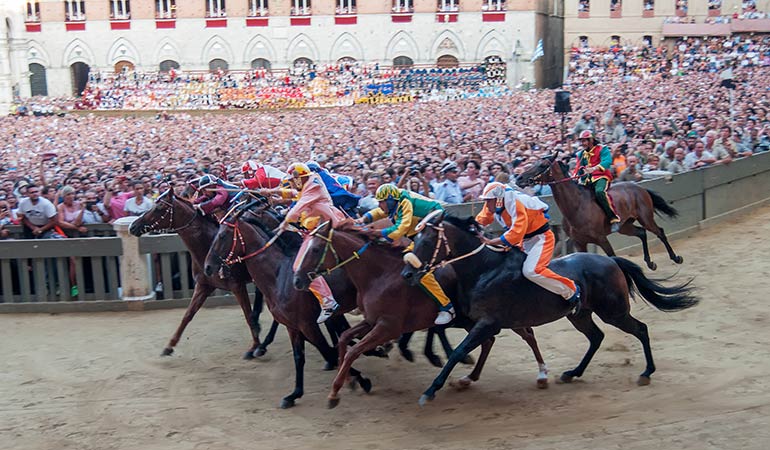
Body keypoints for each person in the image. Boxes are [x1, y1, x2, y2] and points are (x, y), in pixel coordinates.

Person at [356, 183, 455, 325]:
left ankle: (446, 307)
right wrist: (363, 220)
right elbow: (379, 212)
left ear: (390, 201)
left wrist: (375, 232)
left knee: (417, 267)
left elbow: (400, 229)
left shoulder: (404, 202)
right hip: (420, 232)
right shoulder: (394, 202)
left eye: (381, 202)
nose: (379, 205)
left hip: (433, 227)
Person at [262, 163, 345, 324]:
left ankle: (328, 301)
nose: (293, 184)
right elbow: (294, 194)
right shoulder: (308, 185)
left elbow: (300, 204)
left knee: (299, 267)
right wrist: (273, 192)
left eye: (294, 180)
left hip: (324, 228)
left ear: (299, 177)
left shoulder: (313, 183)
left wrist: (286, 221)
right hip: (314, 230)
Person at [475, 182, 580, 307]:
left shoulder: (515, 203)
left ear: (498, 199)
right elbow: (483, 218)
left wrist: (491, 241)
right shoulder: (497, 202)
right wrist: (473, 227)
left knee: (532, 271)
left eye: (488, 201)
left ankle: (571, 290)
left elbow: (516, 233)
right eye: (485, 201)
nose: (486, 204)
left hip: (541, 239)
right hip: (523, 240)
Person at [574, 130, 621, 232]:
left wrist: (594, 168)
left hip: (601, 176)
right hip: (586, 179)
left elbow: (607, 161)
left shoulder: (602, 149)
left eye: (584, 141)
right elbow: (578, 167)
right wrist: (575, 176)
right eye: (581, 141)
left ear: (591, 140)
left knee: (599, 192)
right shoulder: (580, 154)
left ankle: (613, 218)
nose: (582, 144)